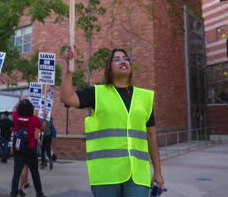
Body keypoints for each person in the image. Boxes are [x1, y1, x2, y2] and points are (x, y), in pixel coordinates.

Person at [61, 47, 165, 197]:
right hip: (106, 175)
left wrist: (158, 172)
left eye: (126, 58)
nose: (123, 61)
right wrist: (69, 70)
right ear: (109, 68)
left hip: (137, 176)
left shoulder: (145, 97)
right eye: (117, 59)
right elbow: (67, 98)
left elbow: (151, 136)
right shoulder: (96, 93)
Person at [10, 99, 46, 197]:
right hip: (30, 148)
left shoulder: (16, 117)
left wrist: (20, 101)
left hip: (19, 149)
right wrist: (45, 120)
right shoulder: (34, 118)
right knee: (34, 172)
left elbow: (13, 109)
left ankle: (13, 193)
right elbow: (43, 129)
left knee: (16, 173)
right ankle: (39, 193)